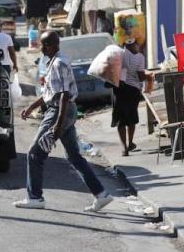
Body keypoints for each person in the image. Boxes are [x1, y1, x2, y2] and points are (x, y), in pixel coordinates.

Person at [15, 31, 113, 211]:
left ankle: (35, 197)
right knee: (74, 156)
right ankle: (101, 195)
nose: (41, 48)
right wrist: (31, 108)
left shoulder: (59, 63)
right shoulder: (54, 62)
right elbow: (49, 93)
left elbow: (63, 96)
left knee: (35, 154)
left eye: (44, 45)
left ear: (52, 45)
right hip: (64, 110)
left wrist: (57, 126)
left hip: (60, 112)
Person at [112, 38, 147, 156]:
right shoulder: (139, 57)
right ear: (134, 45)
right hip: (132, 91)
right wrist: (148, 77)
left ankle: (124, 147)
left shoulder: (117, 55)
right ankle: (130, 142)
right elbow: (140, 76)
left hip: (118, 90)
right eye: (137, 45)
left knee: (121, 119)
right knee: (131, 117)